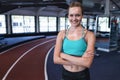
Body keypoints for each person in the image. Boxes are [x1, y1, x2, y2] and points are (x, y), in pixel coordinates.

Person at [53, 1, 96, 80]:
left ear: (82, 16)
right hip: (65, 74)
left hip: (82, 75)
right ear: (68, 16)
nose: (74, 18)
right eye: (71, 15)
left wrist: (63, 55)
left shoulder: (89, 35)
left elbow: (87, 63)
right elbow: (55, 59)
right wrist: (80, 61)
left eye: (77, 15)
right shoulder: (61, 34)